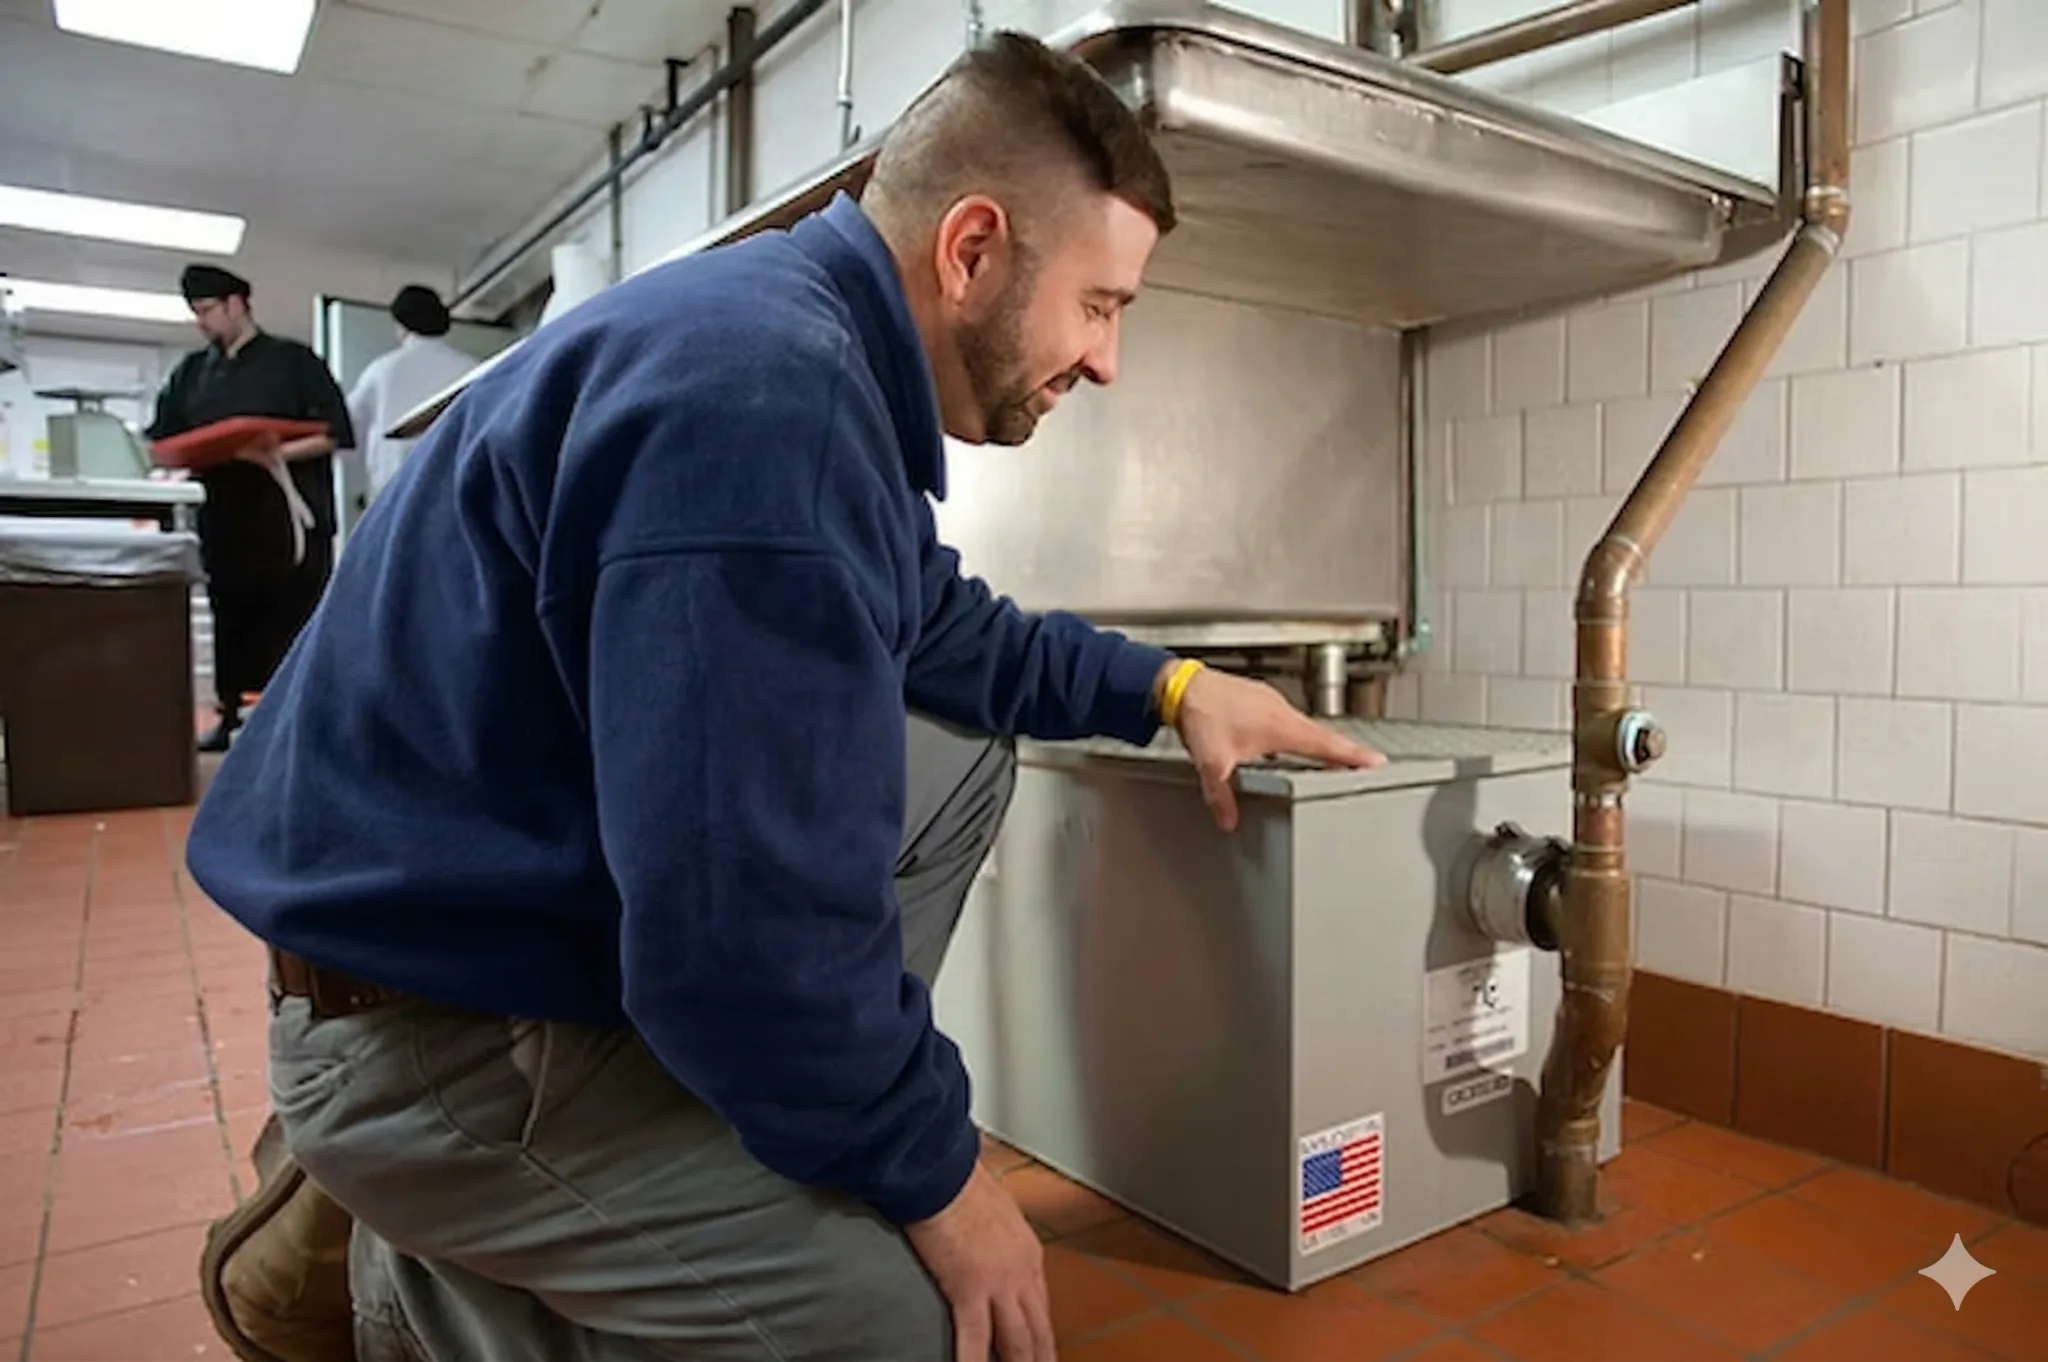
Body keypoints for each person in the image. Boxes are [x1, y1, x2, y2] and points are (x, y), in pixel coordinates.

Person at [186, 31, 1383, 1362]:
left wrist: (1173, 685)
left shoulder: (790, 347)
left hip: (466, 940)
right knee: (912, 1322)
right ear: (973, 249)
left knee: (959, 743)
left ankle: (667, 1153)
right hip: (435, 1030)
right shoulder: (769, 411)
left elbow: (947, 634)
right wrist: (934, 1173)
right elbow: (737, 935)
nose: (1106, 362)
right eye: (1102, 305)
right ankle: (412, 1285)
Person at [146, 264, 354, 752]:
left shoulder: (294, 362)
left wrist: (270, 453)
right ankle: (231, 713)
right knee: (230, 615)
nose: (201, 322)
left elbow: (335, 433)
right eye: (194, 313)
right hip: (225, 515)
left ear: (238, 303)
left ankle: (301, 721)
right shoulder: (192, 373)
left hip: (287, 518)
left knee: (295, 615)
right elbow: (163, 438)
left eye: (207, 310)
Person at [342, 284, 477, 503]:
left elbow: (347, 427)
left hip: (394, 488)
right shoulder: (470, 369)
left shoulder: (382, 370)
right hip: (456, 487)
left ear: (401, 325)